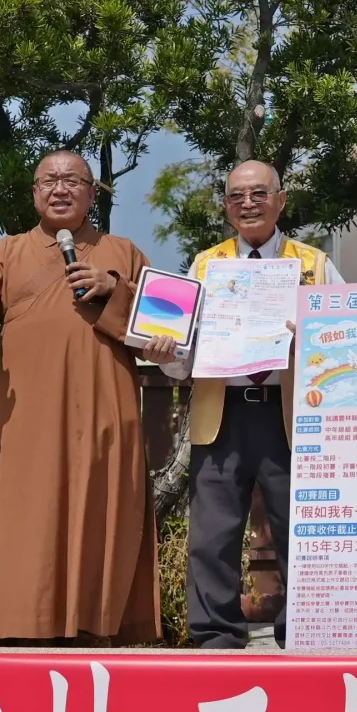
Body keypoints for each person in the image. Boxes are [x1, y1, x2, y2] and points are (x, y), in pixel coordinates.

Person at [0, 149, 158, 643]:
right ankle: (25, 625)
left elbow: (159, 333)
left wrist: (114, 287)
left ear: (92, 193)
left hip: (106, 410)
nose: (60, 189)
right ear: (34, 193)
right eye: (49, 181)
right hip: (29, 416)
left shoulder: (123, 252)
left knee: (104, 509)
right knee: (30, 514)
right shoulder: (5, 252)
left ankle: (101, 625)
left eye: (72, 180)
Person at [142, 160, 340, 650]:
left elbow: (345, 345)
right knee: (212, 534)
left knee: (301, 529)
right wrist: (165, 354)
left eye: (258, 193)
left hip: (290, 414)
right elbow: (183, 358)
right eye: (237, 196)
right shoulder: (205, 266)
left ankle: (305, 634)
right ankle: (215, 637)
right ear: (225, 206)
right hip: (222, 411)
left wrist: (313, 343)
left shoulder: (314, 265)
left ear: (281, 200)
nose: (248, 203)